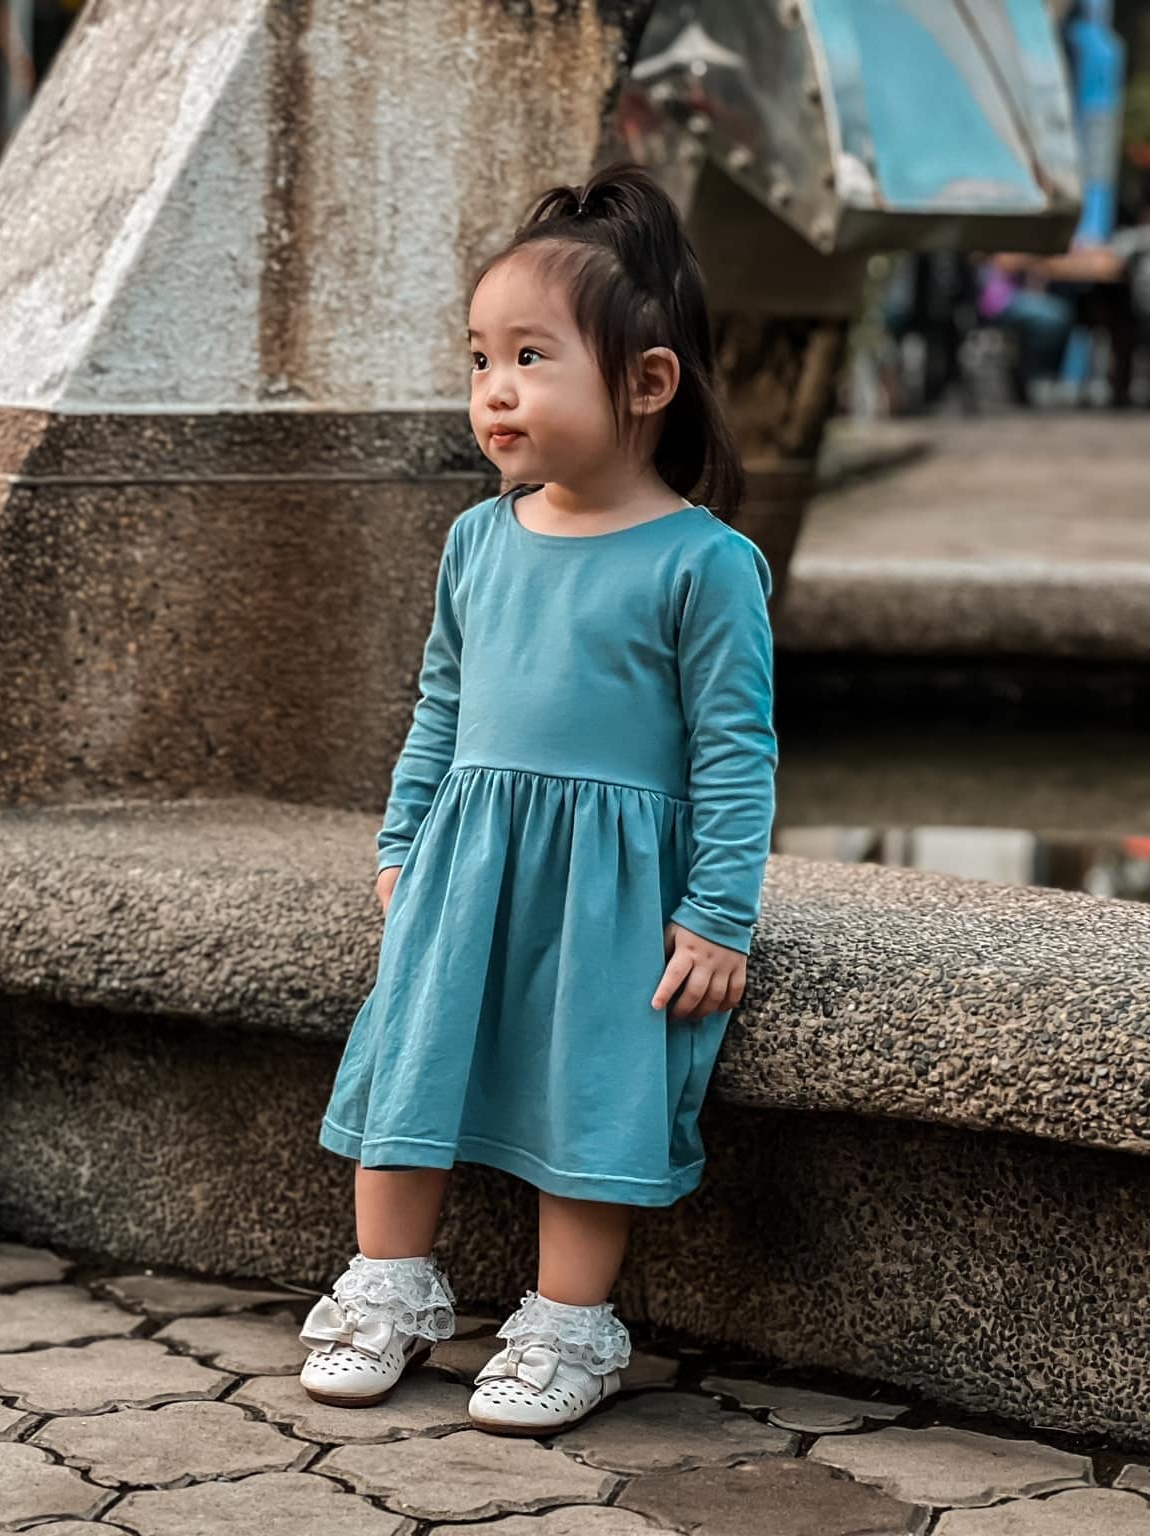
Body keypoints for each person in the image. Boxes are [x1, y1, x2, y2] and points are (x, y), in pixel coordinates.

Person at [299, 164, 777, 1434]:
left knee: (590, 1094)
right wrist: (403, 841)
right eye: (477, 359)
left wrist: (716, 916)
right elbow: (439, 712)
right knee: (409, 1076)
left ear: (645, 381)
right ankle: (388, 1287)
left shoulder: (704, 564)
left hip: (614, 886)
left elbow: (735, 754)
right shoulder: (478, 539)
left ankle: (569, 1322)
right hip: (468, 860)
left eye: (528, 356)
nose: (492, 389)